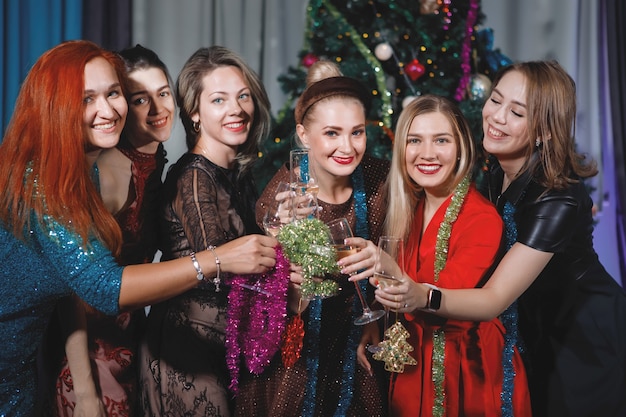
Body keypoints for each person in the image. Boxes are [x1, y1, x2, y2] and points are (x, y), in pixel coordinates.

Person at [0, 40, 277, 417]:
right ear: (55, 106)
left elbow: (72, 279)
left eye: (112, 93)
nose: (107, 109)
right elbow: (104, 287)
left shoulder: (87, 171)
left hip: (21, 366)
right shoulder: (44, 184)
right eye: (86, 99)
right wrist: (216, 259)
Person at [368, 61, 626, 417]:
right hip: (529, 331)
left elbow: (494, 298)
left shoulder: (557, 197)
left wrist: (420, 293)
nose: (496, 117)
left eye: (517, 112)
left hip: (582, 335)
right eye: (496, 100)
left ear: (544, 132)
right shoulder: (493, 172)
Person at [357, 94, 531, 416]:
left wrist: (389, 268)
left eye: (441, 140)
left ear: (462, 146)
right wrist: (375, 324)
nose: (427, 154)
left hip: (465, 371)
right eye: (415, 140)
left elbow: (445, 293)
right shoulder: (409, 207)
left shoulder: (481, 218)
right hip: (413, 363)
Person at [235, 60, 390, 417]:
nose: (347, 147)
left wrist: (379, 321)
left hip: (356, 343)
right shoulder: (288, 191)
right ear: (304, 136)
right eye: (332, 133)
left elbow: (399, 255)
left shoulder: (381, 179)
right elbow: (266, 279)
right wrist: (282, 232)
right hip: (301, 352)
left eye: (357, 132)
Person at [138, 45, 273, 416]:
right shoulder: (194, 176)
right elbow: (221, 269)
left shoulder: (237, 172)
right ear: (194, 112)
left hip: (224, 346)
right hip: (186, 352)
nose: (237, 109)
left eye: (243, 96)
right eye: (219, 100)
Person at [50, 44, 176, 417]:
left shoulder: (156, 165)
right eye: (140, 99)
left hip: (133, 340)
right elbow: (69, 288)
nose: (157, 110)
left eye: (163, 93)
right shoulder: (105, 168)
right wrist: (86, 389)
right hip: (86, 351)